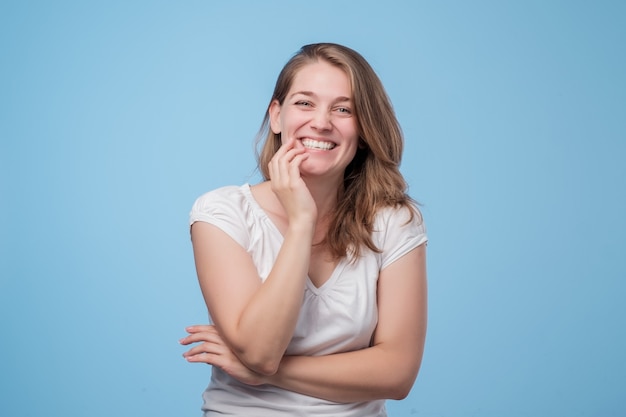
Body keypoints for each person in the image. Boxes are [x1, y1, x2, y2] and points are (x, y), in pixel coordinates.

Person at [180, 42, 428, 417]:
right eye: (305, 103)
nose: (322, 122)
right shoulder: (222, 213)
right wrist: (301, 223)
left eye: (343, 109)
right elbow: (261, 350)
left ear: (363, 129)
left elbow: (398, 375)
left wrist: (266, 373)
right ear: (277, 117)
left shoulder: (394, 221)